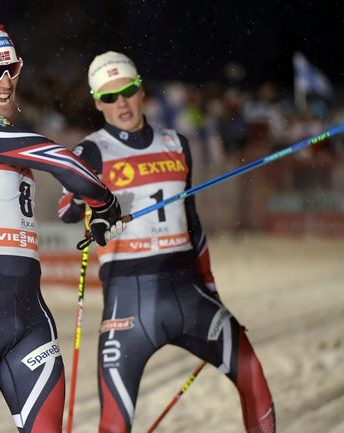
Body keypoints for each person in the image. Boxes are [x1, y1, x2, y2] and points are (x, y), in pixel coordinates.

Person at [58, 51, 276, 433]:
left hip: (188, 292)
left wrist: (211, 289)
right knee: (114, 421)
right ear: (97, 103)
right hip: (129, 302)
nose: (121, 103)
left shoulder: (176, 142)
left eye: (127, 91)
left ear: (141, 91)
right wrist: (83, 197)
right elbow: (65, 211)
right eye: (109, 98)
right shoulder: (90, 151)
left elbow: (192, 223)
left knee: (253, 374)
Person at [0, 16, 122, 433]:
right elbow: (59, 159)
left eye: (12, 68)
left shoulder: (1, 128)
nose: (7, 82)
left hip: (30, 312)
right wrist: (103, 200)